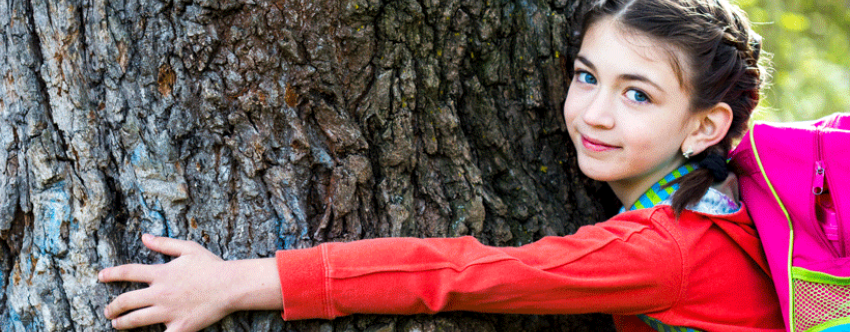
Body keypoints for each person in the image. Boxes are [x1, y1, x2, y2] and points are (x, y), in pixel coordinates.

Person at [98, 0, 786, 331]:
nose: (596, 114)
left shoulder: (663, 251)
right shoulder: (741, 199)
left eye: (637, 93)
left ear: (705, 126)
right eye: (586, 76)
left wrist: (238, 281)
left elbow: (459, 274)